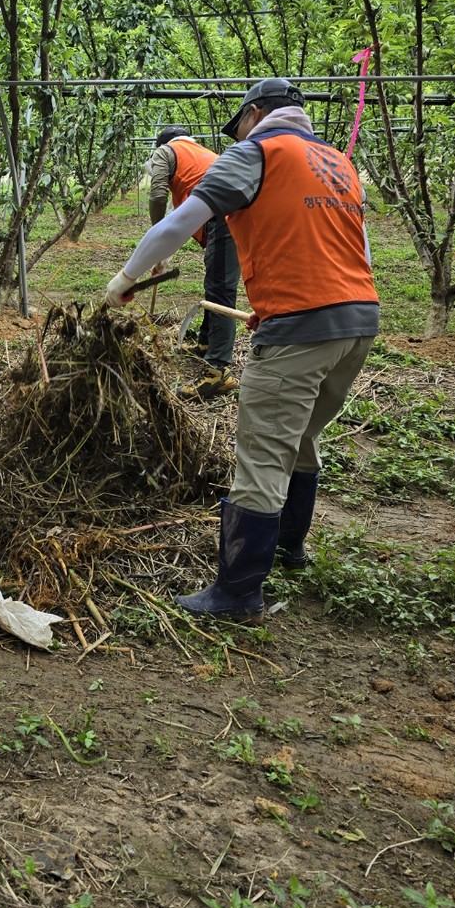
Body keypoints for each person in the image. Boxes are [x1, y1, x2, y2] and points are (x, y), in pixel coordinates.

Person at [107, 78, 379, 624]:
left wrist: (124, 280)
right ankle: (289, 548)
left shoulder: (255, 152)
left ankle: (237, 593)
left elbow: (182, 221)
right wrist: (282, 301)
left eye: (241, 123)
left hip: (301, 330)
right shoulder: (337, 164)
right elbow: (355, 248)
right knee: (301, 436)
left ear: (254, 114)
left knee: (262, 455)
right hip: (358, 320)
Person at [146, 125, 242, 399]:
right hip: (227, 219)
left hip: (224, 220)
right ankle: (206, 344)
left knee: (221, 292)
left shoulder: (167, 151)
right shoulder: (203, 155)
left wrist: (157, 237)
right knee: (215, 284)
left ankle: (218, 371)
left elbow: (157, 195)